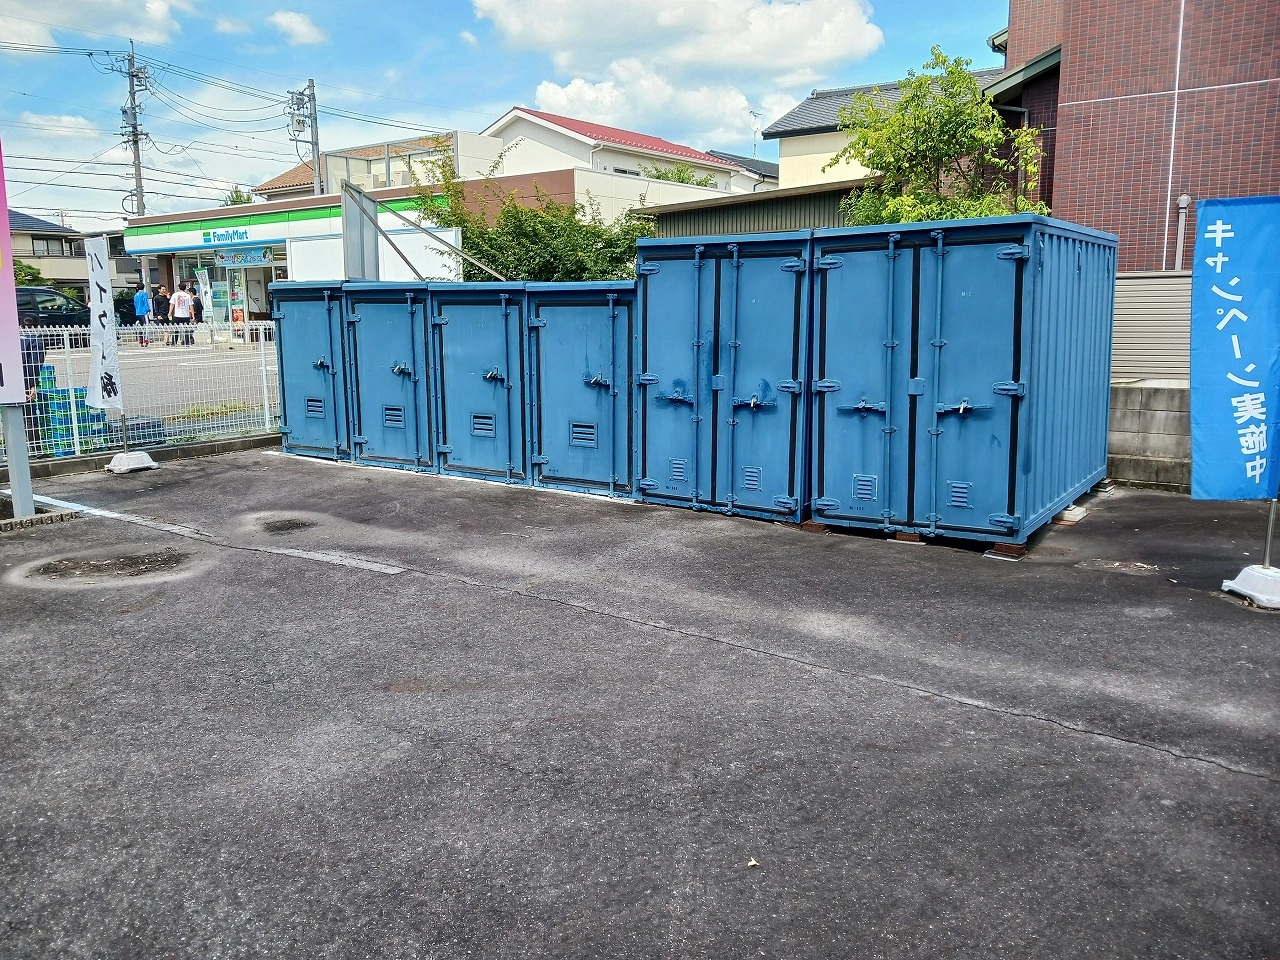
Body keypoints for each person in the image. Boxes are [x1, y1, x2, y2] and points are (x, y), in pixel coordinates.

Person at [19, 316, 47, 456]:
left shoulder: (12, 337)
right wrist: (32, 385)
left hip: (8, 382)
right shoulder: (35, 340)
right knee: (28, 416)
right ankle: (36, 450)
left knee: (9, 416)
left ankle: (11, 451)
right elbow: (34, 364)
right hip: (24, 381)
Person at [167, 281, 193, 346]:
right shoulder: (188, 296)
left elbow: (172, 305)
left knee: (176, 329)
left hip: (177, 315)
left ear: (179, 288)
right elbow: (191, 306)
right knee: (186, 330)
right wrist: (193, 315)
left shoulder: (175, 295)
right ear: (185, 288)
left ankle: (174, 343)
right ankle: (187, 343)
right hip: (186, 315)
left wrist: (170, 313)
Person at [132, 282, 152, 346]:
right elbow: (145, 302)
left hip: (138, 312)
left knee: (140, 326)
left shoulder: (135, 295)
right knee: (146, 326)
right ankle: (145, 340)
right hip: (144, 312)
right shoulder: (144, 294)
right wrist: (148, 310)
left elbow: (135, 304)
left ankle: (141, 340)